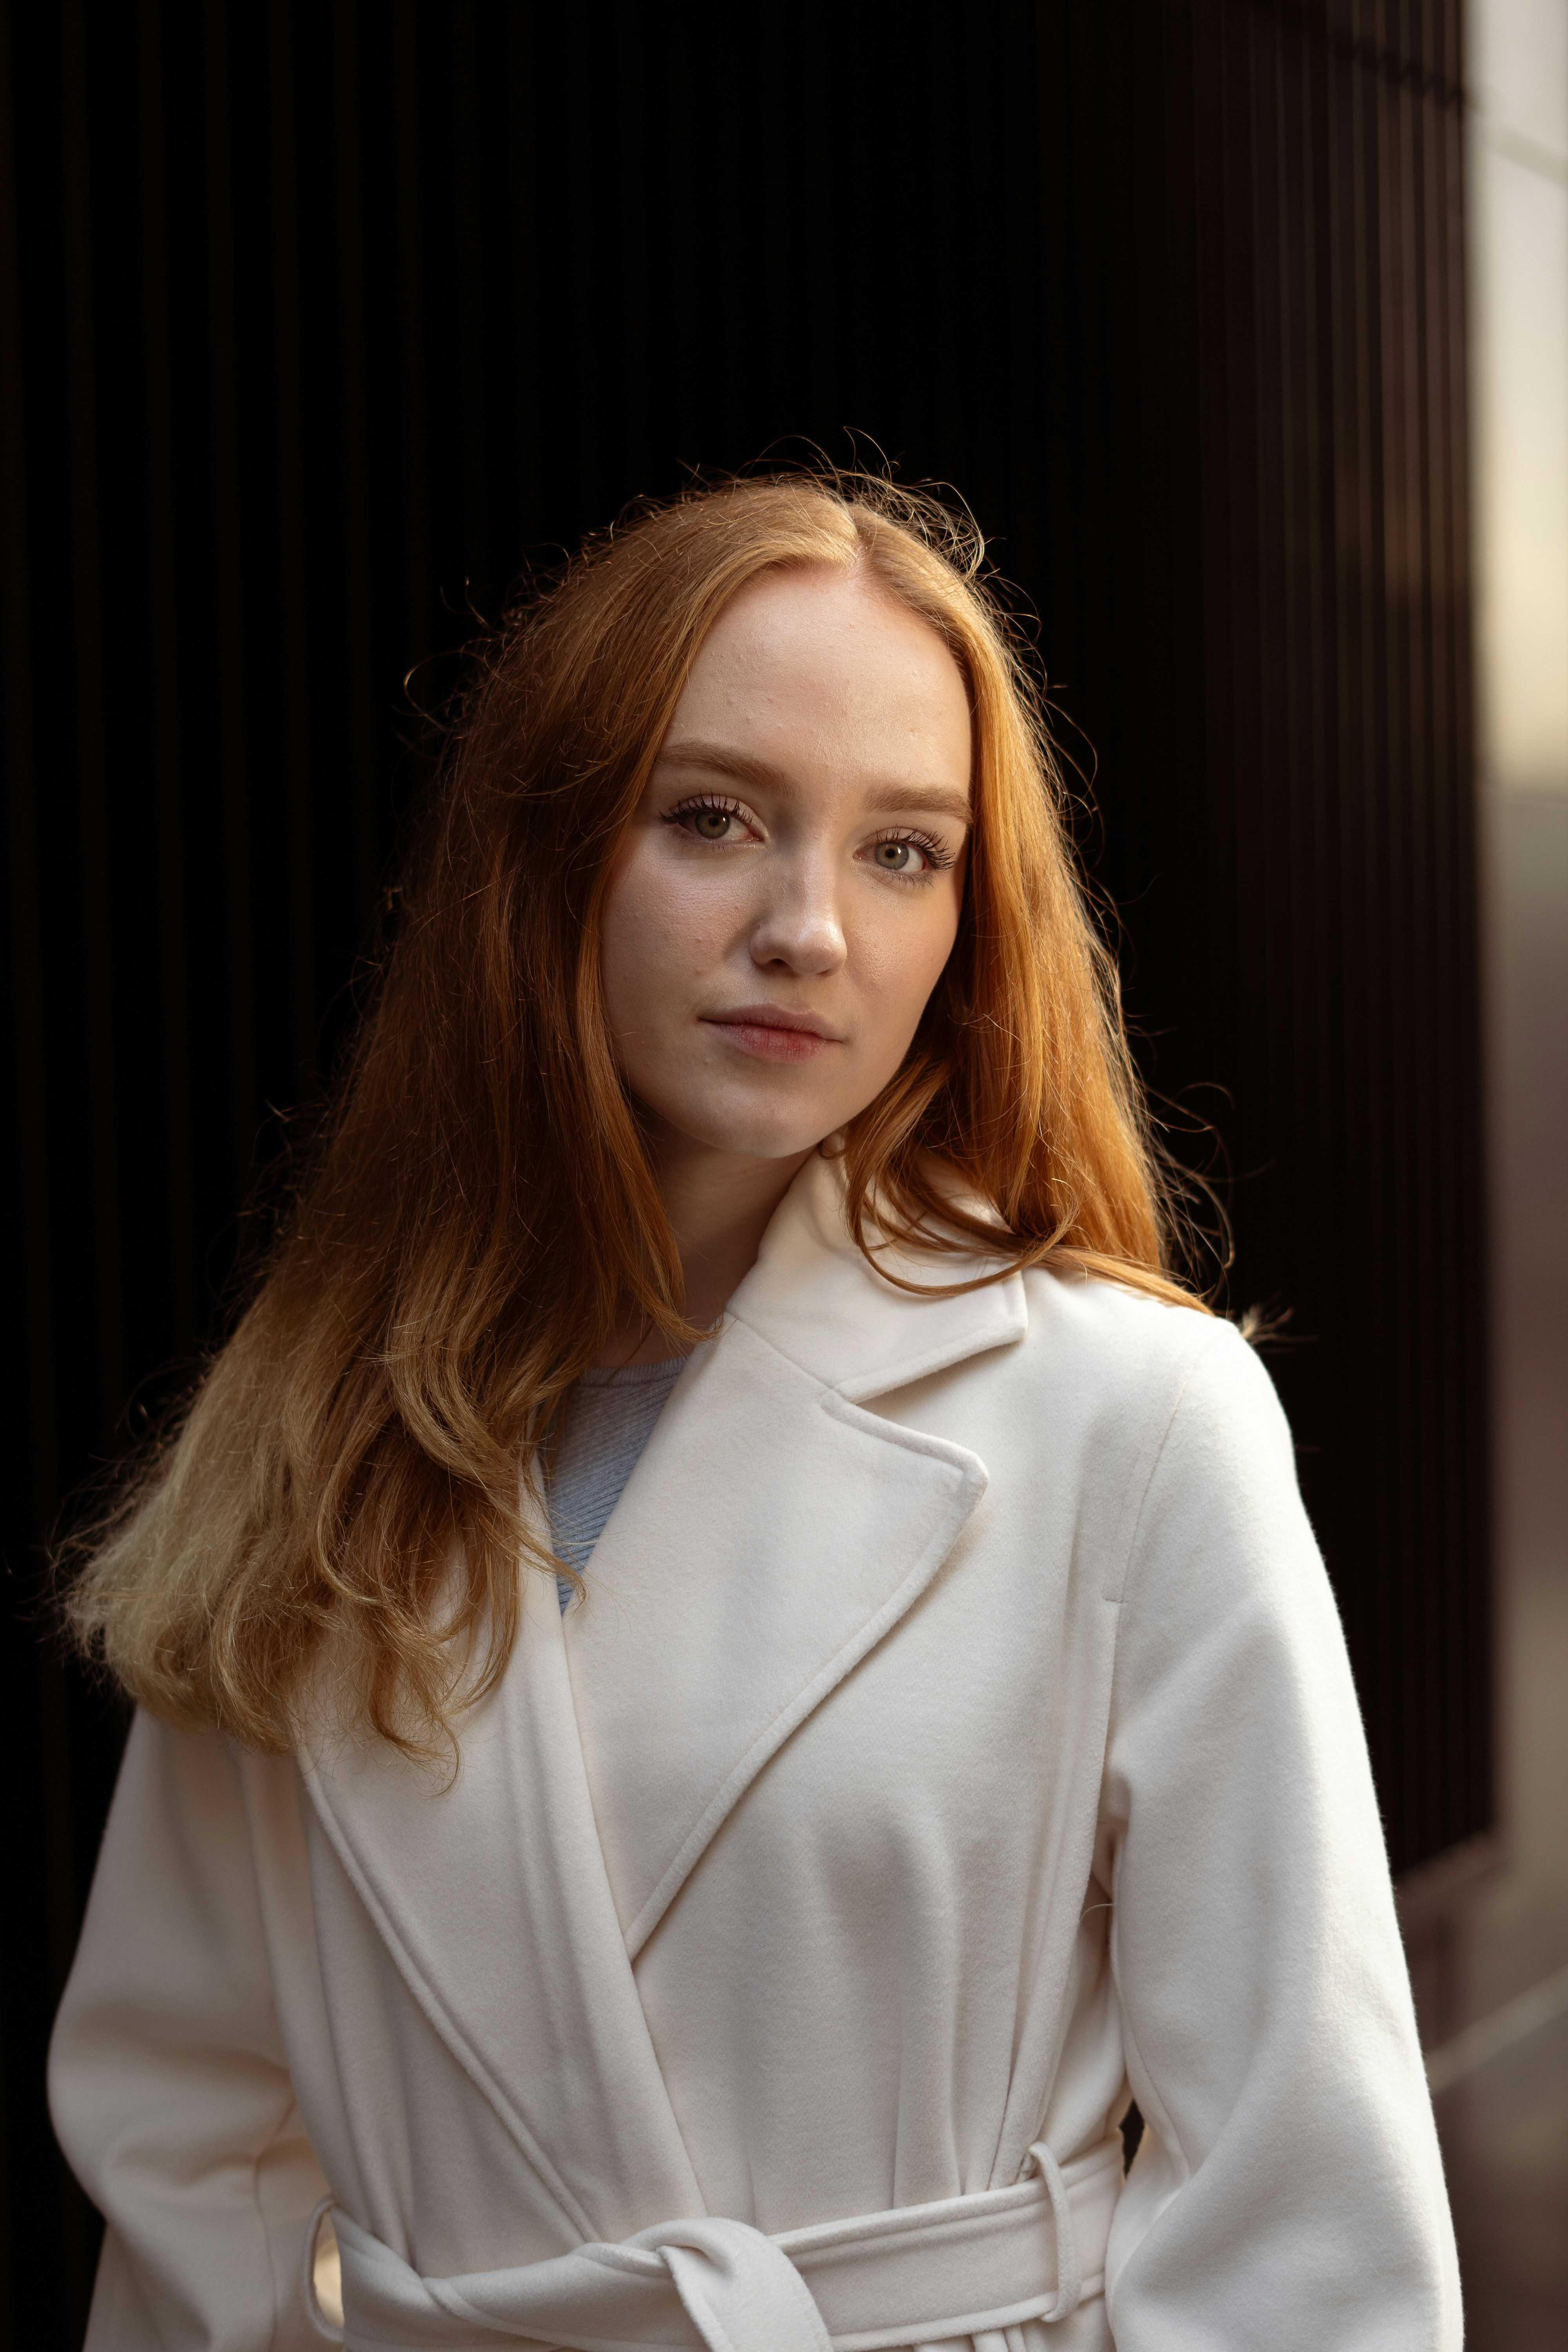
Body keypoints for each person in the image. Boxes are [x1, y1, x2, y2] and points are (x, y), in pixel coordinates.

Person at [50, 475, 1459, 2352]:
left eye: (904, 851)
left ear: (970, 921)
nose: (809, 928)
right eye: (711, 818)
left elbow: (1306, 2216)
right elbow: (183, 2137)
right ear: (550, 851)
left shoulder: (1132, 1417)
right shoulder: (312, 1419)